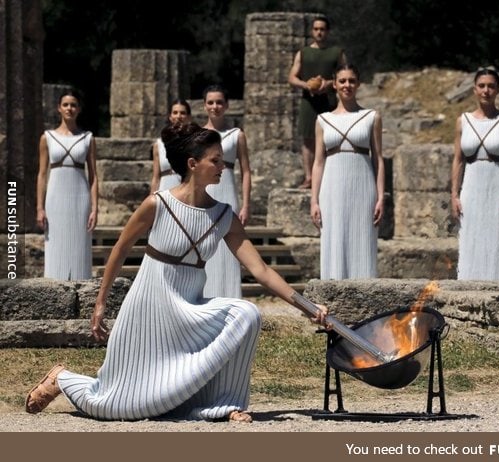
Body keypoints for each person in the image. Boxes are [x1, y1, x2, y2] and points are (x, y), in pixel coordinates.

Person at [24, 122, 326, 423]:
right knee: (116, 406)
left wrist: (307, 307)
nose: (223, 166)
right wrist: (100, 304)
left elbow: (261, 270)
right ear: (193, 164)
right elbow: (119, 250)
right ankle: (62, 378)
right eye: (216, 160)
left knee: (247, 314)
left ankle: (224, 405)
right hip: (148, 312)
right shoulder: (158, 203)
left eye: (223, 159)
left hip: (189, 310)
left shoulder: (224, 215)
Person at [310, 64, 384, 279]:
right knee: (334, 240)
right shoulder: (323, 120)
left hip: (363, 186)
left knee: (363, 240)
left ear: (358, 84)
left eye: (351, 81)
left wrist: (381, 197)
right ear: (334, 85)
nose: (347, 85)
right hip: (331, 188)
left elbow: (378, 159)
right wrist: (314, 200)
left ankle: (366, 299)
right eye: (342, 81)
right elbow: (318, 162)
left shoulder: (371, 117)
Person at [450, 68, 499, 280]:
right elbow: (458, 159)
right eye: (482, 86)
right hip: (471, 185)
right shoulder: (463, 121)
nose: (486, 90)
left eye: (491, 86)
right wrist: (454, 194)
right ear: (474, 89)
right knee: (471, 236)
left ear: (498, 89)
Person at [36, 88, 98, 280]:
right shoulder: (47, 137)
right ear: (59, 108)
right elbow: (42, 174)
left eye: (73, 105)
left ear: (79, 109)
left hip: (80, 198)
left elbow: (94, 176)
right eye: (65, 105)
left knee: (80, 246)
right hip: (55, 199)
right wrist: (40, 207)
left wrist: (95, 208)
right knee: (55, 245)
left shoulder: (87, 138)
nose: (69, 108)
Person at [201, 85, 252, 298]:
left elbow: (247, 171)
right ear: (204, 105)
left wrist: (246, 204)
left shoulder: (236, 135)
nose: (215, 106)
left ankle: (230, 298)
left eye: (219, 102)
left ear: (227, 105)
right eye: (211, 102)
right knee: (205, 246)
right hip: (204, 195)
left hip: (228, 193)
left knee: (230, 247)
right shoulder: (198, 135)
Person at [288, 15, 347, 189]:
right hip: (309, 101)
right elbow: (292, 77)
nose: (319, 32)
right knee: (308, 139)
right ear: (312, 31)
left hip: (329, 101)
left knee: (331, 138)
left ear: (327, 32)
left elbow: (346, 75)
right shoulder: (304, 52)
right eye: (316, 29)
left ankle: (329, 175)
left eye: (322, 29)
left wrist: (329, 83)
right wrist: (307, 85)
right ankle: (309, 177)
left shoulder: (337, 52)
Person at [150, 99, 192, 193]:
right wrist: (152, 197)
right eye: (175, 113)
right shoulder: (159, 144)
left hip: (186, 193)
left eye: (182, 113)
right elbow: (156, 177)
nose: (178, 116)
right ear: (170, 116)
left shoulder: (194, 142)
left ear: (189, 117)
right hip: (164, 191)